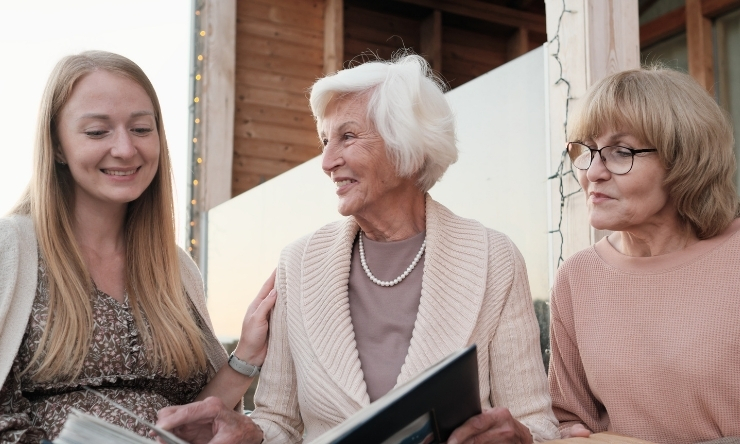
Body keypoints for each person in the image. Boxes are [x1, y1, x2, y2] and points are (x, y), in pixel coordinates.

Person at [157, 53, 559, 444]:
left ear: (408, 146)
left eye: (347, 137)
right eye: (324, 141)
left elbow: (534, 426)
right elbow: (278, 422)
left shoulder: (493, 257)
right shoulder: (298, 264)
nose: (327, 161)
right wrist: (252, 434)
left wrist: (517, 439)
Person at [0, 50, 275, 442]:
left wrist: (246, 356)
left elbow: (188, 421)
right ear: (57, 146)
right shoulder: (11, 250)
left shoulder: (176, 268)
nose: (126, 149)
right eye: (97, 132)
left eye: (142, 129)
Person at [548, 67, 740, 443]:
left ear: (684, 161)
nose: (593, 172)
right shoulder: (577, 277)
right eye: (586, 150)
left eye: (621, 152)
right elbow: (567, 419)